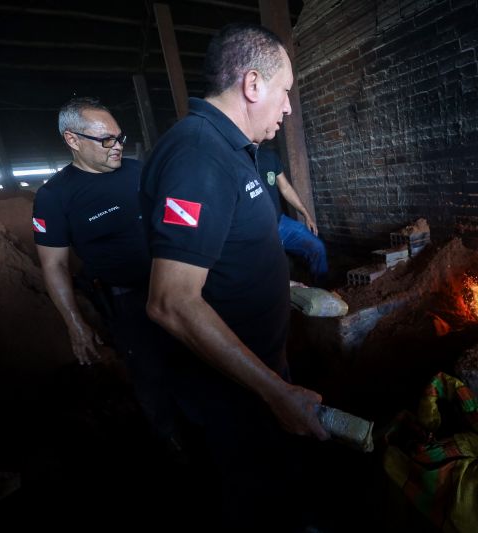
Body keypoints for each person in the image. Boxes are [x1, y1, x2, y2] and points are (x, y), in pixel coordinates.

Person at [138, 23, 330, 531]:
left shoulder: (231, 149)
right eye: (285, 91)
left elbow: (224, 248)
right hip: (233, 392)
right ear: (252, 85)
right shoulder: (198, 157)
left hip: (258, 372)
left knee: (282, 482)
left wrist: (276, 285)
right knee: (254, 500)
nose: (288, 108)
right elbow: (172, 302)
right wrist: (275, 391)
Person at [32, 96, 180, 448]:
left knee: (196, 360)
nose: (118, 147)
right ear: (73, 140)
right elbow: (53, 264)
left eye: (119, 137)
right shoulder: (54, 197)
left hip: (177, 287)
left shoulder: (139, 171)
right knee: (151, 374)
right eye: (106, 140)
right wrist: (74, 322)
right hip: (128, 303)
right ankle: (171, 442)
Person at [257, 143, 328, 285]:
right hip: (257, 233)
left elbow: (286, 188)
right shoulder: (236, 158)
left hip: (280, 223)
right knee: (273, 271)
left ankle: (322, 294)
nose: (278, 122)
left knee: (317, 247)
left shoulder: (269, 155)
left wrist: (306, 214)